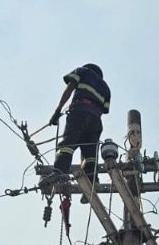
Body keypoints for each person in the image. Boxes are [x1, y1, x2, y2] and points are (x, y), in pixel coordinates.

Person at [38, 63, 111, 193]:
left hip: (79, 113)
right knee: (90, 153)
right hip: (96, 121)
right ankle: (91, 180)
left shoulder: (83, 71)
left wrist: (57, 111)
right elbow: (103, 109)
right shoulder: (106, 88)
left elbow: (69, 88)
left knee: (67, 145)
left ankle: (59, 172)